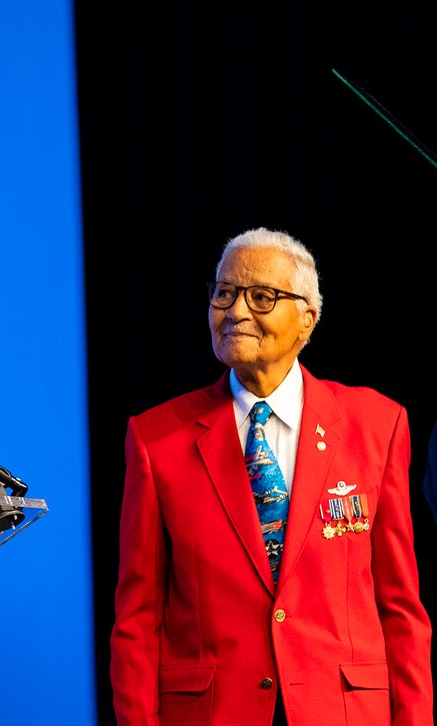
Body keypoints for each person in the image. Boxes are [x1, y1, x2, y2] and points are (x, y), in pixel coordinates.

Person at [110, 227, 432, 725]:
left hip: (344, 709)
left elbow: (401, 608)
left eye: (261, 297)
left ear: (307, 319)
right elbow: (137, 619)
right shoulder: (156, 438)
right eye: (224, 293)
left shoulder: (377, 425)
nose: (236, 311)